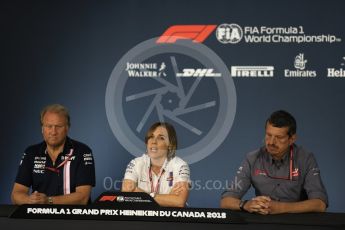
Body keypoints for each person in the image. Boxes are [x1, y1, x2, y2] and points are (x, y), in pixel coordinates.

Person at [221, 110, 328, 214]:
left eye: (279, 137)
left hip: (296, 221)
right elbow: (226, 201)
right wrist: (245, 205)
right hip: (264, 221)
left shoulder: (305, 158)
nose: (271, 142)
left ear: (292, 139)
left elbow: (320, 204)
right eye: (268, 135)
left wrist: (281, 208)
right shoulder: (252, 158)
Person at [11, 104, 95, 205]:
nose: (53, 132)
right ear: (42, 128)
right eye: (49, 126)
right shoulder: (31, 153)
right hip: (39, 218)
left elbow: (83, 198)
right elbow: (16, 194)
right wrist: (30, 200)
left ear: (67, 128)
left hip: (73, 218)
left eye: (58, 126)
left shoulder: (82, 152)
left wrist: (48, 201)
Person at [122, 122, 190, 207]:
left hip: (169, 219)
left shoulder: (180, 165)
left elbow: (179, 201)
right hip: (141, 219)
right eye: (151, 137)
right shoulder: (136, 163)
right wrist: (168, 198)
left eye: (161, 138)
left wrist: (140, 193)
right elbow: (127, 193)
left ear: (170, 144)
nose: (153, 142)